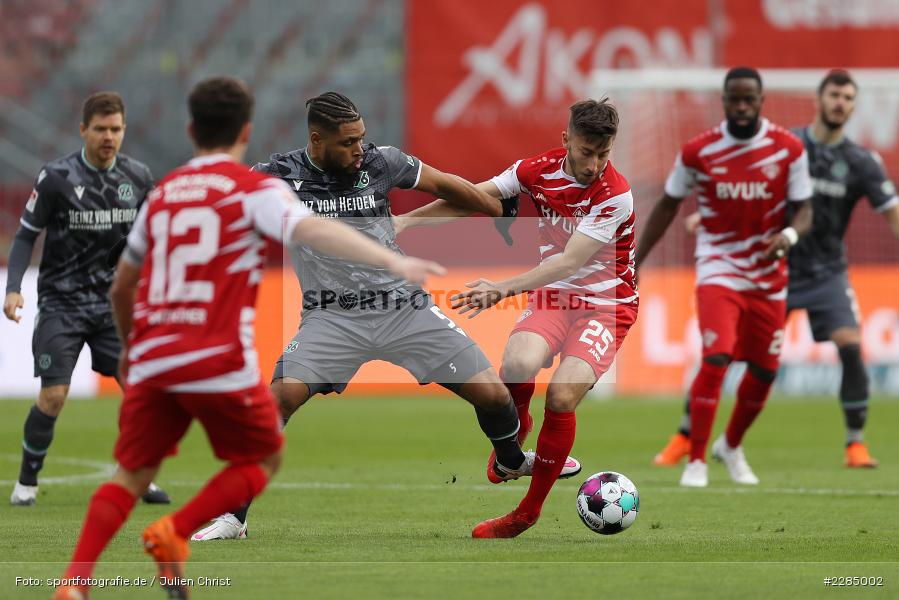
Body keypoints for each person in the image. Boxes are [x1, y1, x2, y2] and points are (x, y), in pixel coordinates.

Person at [52, 77, 447, 600]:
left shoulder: (163, 192)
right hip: (215, 356)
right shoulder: (252, 188)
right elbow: (313, 230)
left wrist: (130, 350)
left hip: (153, 358)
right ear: (246, 130)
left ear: (191, 129)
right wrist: (391, 257)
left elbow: (123, 285)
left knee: (131, 474)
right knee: (262, 459)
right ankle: (174, 530)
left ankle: (73, 584)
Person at [190, 91, 579, 541]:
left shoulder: (381, 162)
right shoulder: (279, 176)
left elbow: (444, 183)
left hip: (405, 310)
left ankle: (510, 458)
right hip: (332, 318)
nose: (360, 149)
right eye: (348, 142)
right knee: (277, 400)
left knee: (494, 397)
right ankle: (234, 518)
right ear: (317, 140)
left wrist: (495, 207)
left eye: (362, 138)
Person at [404, 98, 637, 538]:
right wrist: (405, 223)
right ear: (566, 139)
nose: (594, 164)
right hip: (555, 297)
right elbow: (474, 197)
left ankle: (526, 513)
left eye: (603, 154)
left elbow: (569, 262)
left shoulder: (615, 195)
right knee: (516, 365)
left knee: (563, 397)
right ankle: (515, 442)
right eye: (586, 151)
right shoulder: (535, 170)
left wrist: (502, 288)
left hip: (607, 306)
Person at [652, 69, 899, 469]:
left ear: (853, 107)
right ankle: (684, 436)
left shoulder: (861, 162)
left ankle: (855, 444)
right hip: (767, 266)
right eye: (834, 95)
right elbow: (736, 189)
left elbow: (892, 213)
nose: (840, 103)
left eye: (848, 98)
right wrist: (712, 220)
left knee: (852, 346)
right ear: (818, 100)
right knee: (722, 352)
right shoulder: (786, 145)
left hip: (826, 273)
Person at [636, 67, 813, 488]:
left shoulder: (788, 149)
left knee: (766, 369)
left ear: (761, 100)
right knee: (716, 357)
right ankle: (696, 460)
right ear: (724, 100)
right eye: (733, 99)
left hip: (769, 275)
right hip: (719, 268)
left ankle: (730, 446)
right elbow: (667, 204)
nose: (741, 106)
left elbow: (805, 210)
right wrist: (635, 259)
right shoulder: (700, 151)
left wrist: (788, 235)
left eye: (748, 99)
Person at [4, 91, 169, 506]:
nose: (109, 137)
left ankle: (138, 477)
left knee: (139, 394)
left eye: (116, 129)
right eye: (101, 129)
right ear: (84, 130)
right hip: (62, 304)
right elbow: (25, 236)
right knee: (54, 396)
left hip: (114, 305)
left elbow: (155, 237)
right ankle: (26, 481)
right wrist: (13, 288)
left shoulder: (138, 177)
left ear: (124, 130)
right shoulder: (57, 177)